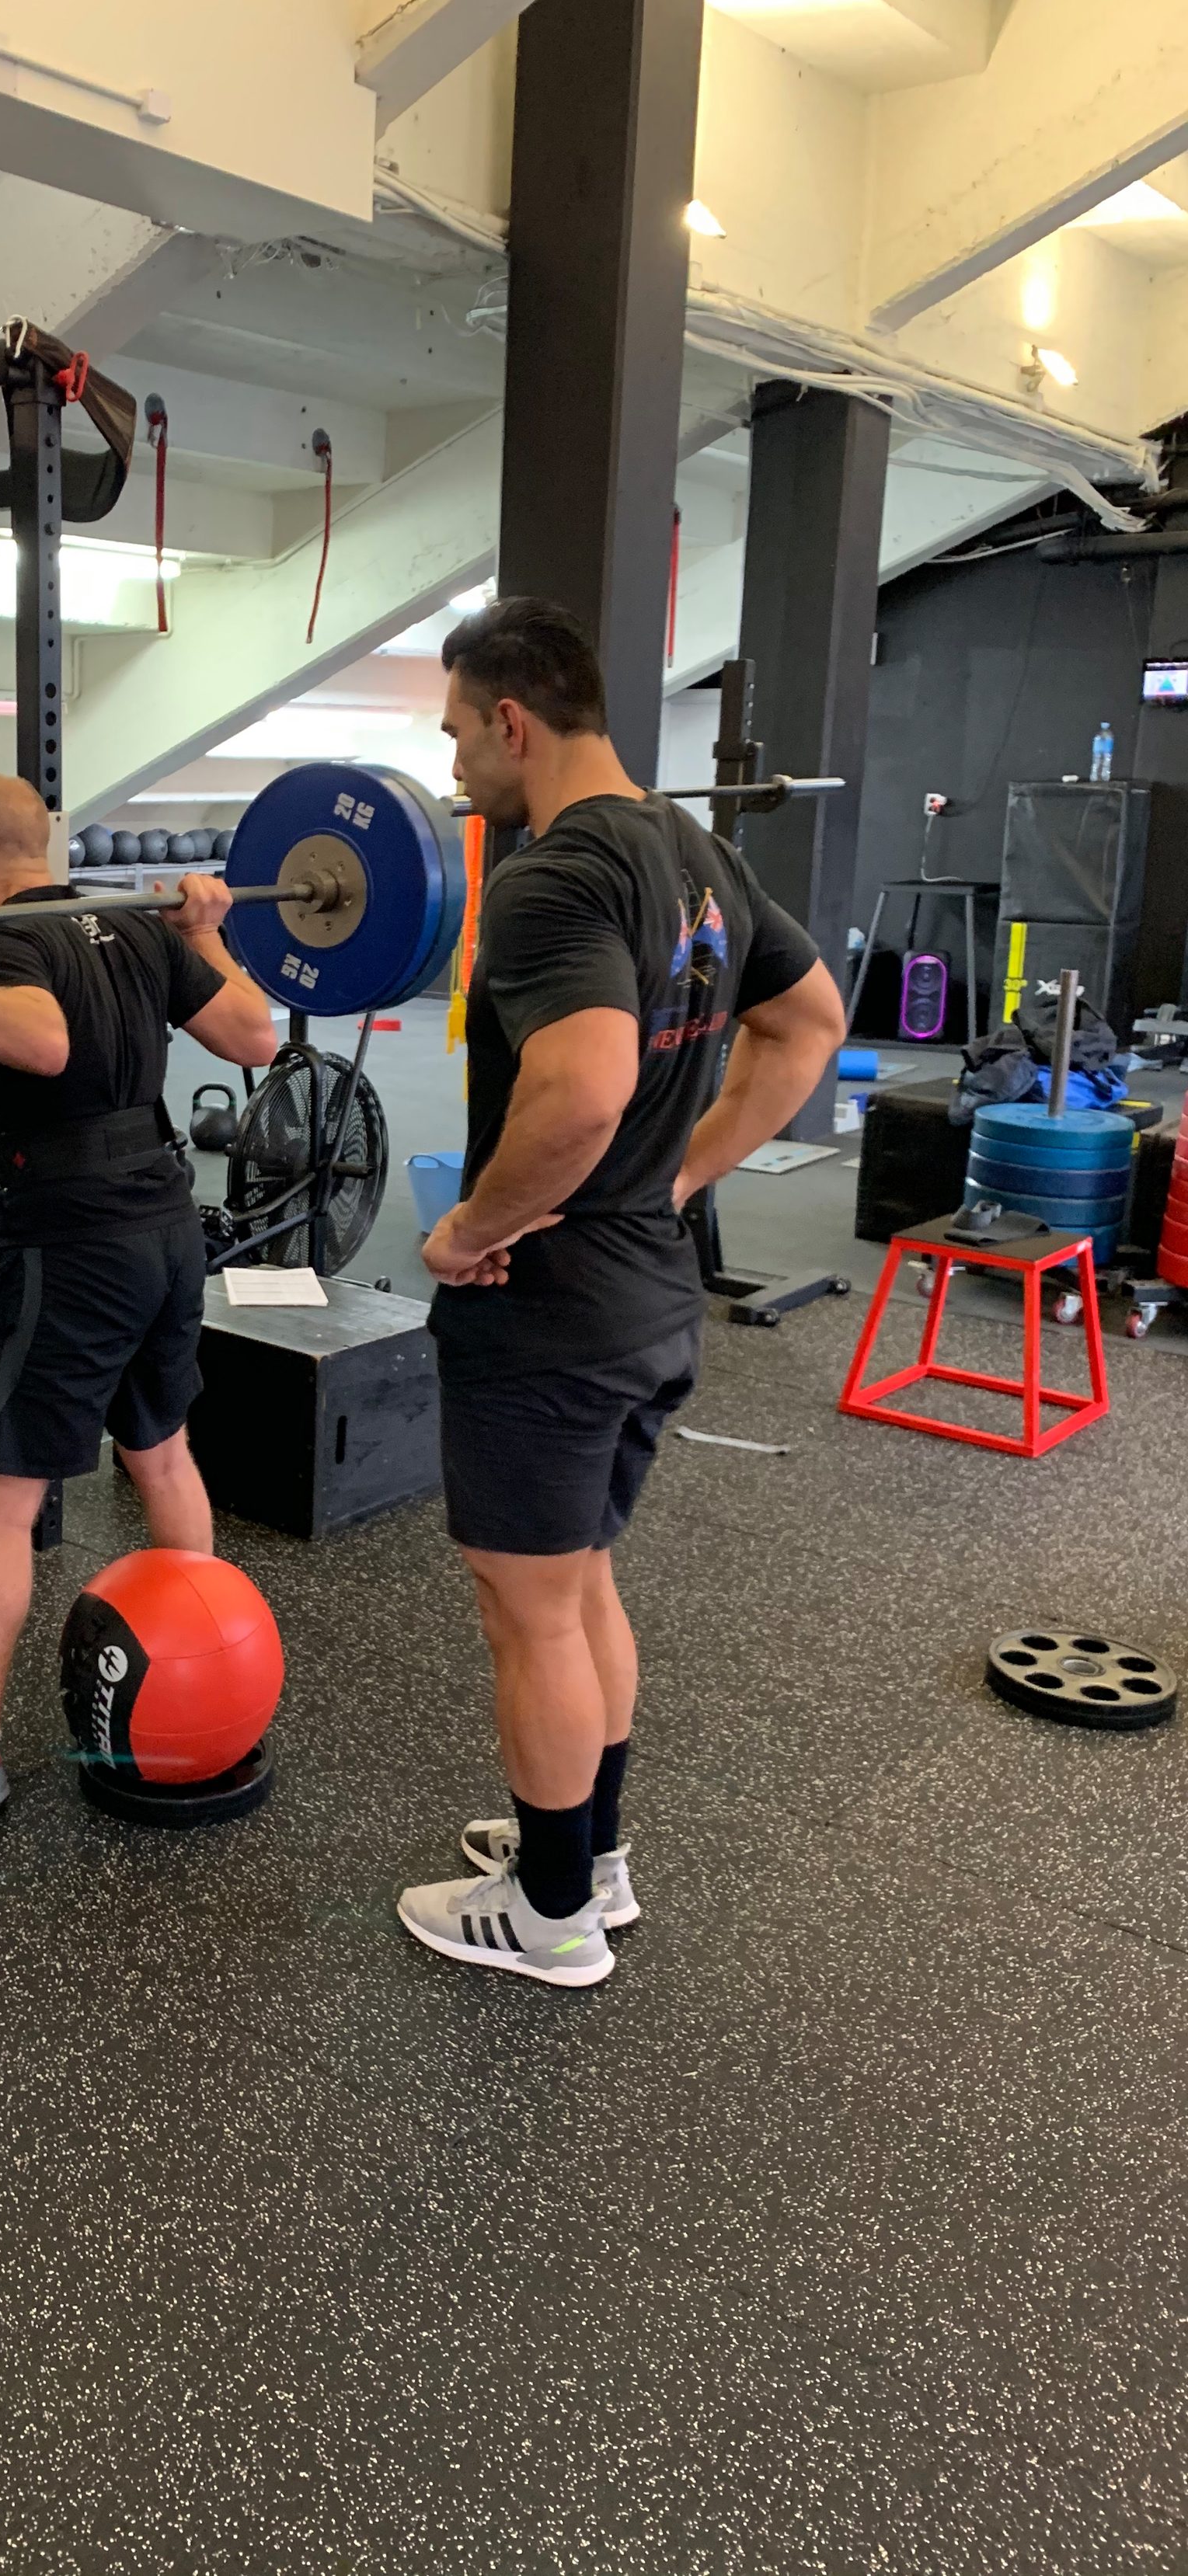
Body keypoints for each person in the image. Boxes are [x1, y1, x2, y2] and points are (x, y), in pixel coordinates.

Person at [396, 597, 846, 1988]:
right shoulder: (697, 853)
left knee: (527, 1609)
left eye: (462, 728)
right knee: (581, 1582)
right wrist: (689, 1175)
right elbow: (812, 1020)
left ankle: (547, 1924)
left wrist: (473, 1225)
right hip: (649, 1289)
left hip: (554, 1302)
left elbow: (582, 1092)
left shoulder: (546, 877)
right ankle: (585, 1858)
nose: (455, 755)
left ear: (514, 721)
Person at [0, 773, 278, 1818]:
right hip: (167, 1224)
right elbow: (257, 1035)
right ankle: (201, 1685)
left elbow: (42, 1041)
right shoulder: (128, 923)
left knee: (0, 1498)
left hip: (75, 1236)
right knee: (161, 1447)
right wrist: (207, 931)